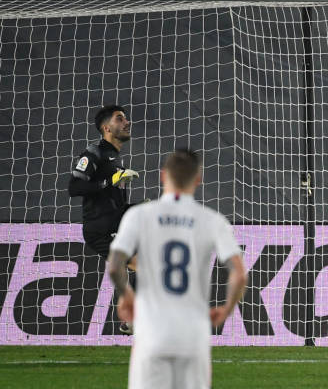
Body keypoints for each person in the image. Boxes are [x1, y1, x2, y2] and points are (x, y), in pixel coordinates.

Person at [107, 149, 247, 389]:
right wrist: (226, 309)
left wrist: (127, 295)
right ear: (198, 179)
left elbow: (114, 265)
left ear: (163, 176)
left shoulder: (139, 215)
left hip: (151, 332)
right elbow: (239, 273)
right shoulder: (212, 220)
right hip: (192, 336)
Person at [68, 104, 140, 333]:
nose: (126, 123)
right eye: (120, 119)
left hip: (114, 223)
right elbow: (75, 187)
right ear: (106, 127)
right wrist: (109, 181)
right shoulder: (94, 152)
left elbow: (114, 204)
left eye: (126, 119)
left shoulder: (116, 158)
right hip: (100, 228)